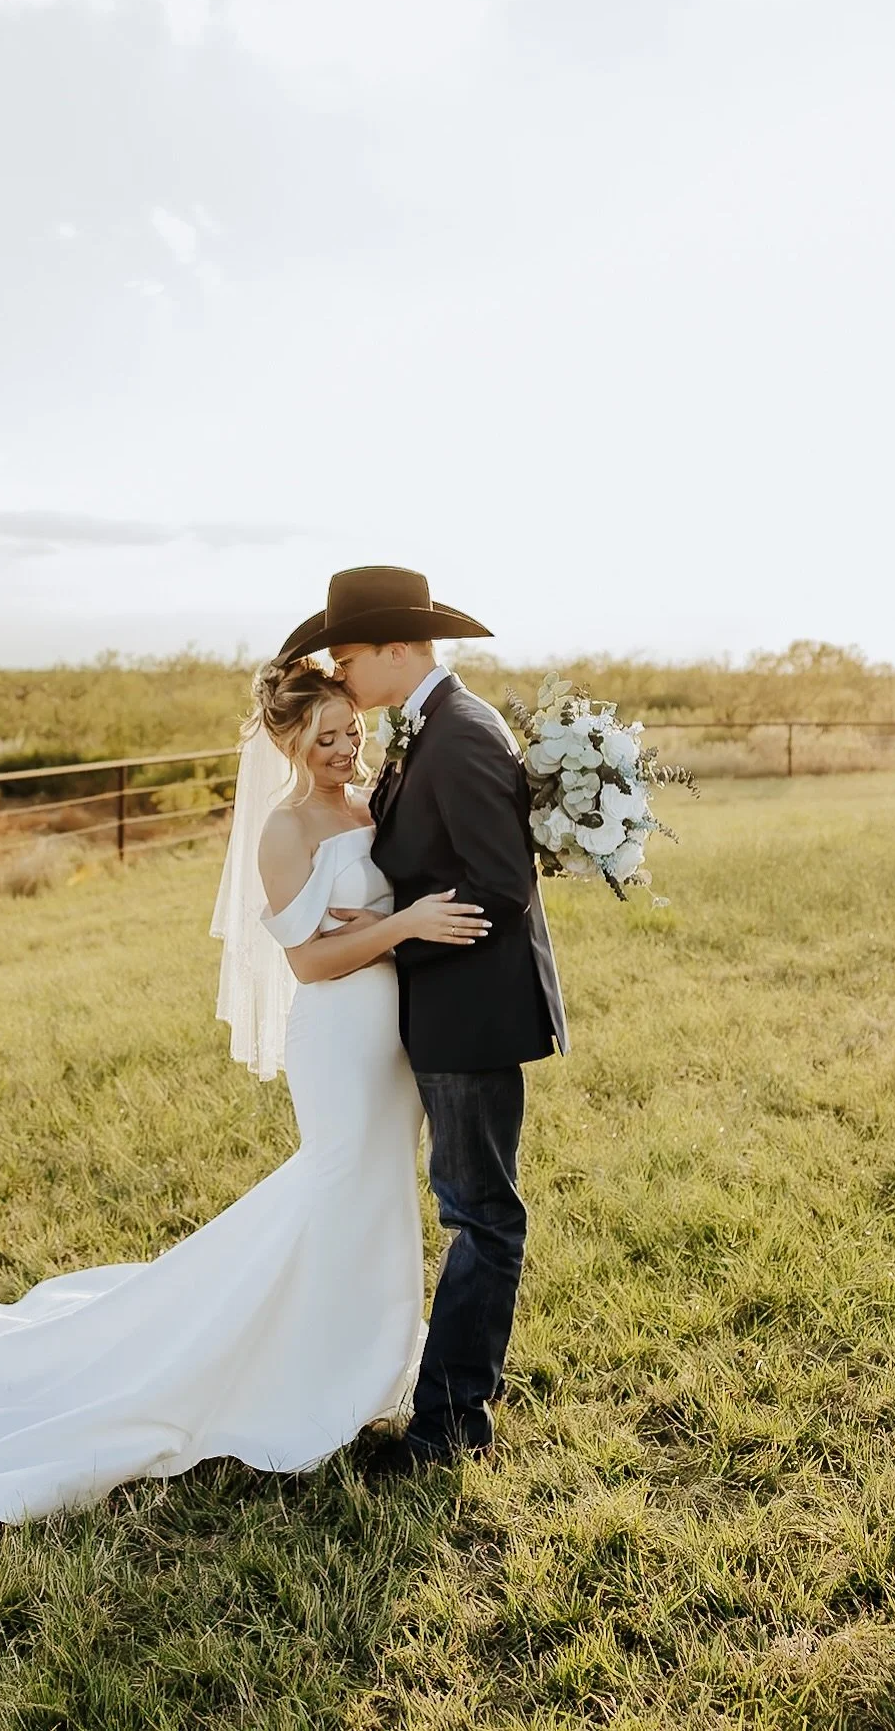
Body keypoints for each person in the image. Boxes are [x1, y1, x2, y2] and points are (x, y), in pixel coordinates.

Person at [0, 655, 483, 1533]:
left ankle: (368, 1356)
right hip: (340, 1038)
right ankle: (311, 1372)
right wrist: (401, 927)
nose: (347, 750)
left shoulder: (364, 803)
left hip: (387, 1039)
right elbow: (308, 960)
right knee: (340, 1183)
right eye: (327, 740)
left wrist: (392, 921)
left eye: (353, 733)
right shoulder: (284, 829)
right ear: (288, 742)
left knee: (376, 1191)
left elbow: (372, 905)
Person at [277, 564, 569, 1472]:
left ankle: (449, 1429)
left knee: (480, 1217)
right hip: (438, 1010)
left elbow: (500, 891)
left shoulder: (462, 735)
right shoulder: (426, 730)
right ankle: (454, 1383)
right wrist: (389, 918)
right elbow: (440, 863)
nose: (345, 674)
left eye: (351, 656)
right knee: (470, 1210)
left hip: (469, 1015)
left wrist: (398, 939)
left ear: (400, 649)